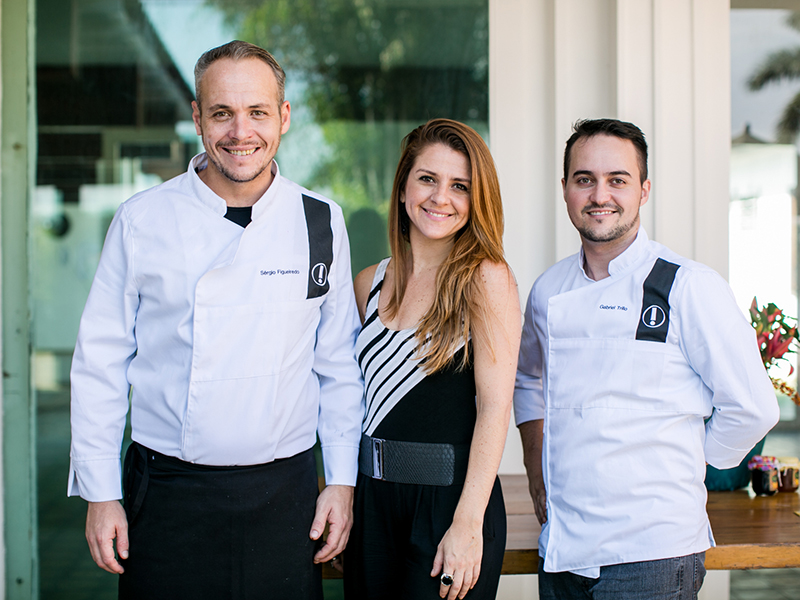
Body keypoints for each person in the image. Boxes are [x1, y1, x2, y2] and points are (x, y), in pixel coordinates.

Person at [68, 40, 364, 599]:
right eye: (222, 113)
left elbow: (338, 366)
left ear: (283, 117)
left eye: (256, 112)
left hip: (286, 493)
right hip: (170, 491)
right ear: (199, 119)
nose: (240, 131)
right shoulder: (143, 219)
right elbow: (99, 362)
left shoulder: (320, 220)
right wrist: (101, 493)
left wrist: (342, 481)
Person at [514, 118, 780, 599]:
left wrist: (689, 465)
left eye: (618, 180)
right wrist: (535, 464)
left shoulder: (688, 285)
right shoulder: (548, 290)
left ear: (644, 190)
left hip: (654, 553)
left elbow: (754, 407)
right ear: (565, 190)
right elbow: (528, 380)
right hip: (564, 548)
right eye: (584, 179)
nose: (600, 195)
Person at [343, 119, 521, 600]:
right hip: (372, 504)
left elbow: (495, 407)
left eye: (459, 186)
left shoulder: (486, 279)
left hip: (450, 506)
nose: (441, 197)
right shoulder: (367, 284)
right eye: (427, 179)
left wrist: (468, 521)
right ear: (403, 187)